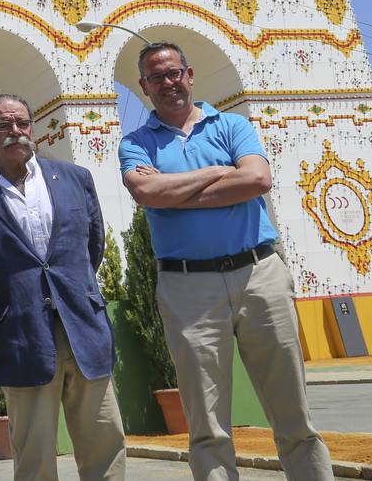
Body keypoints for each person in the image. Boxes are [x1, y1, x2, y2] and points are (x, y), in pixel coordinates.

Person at [120, 42, 332, 480]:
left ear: (190, 74)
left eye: (173, 72)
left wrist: (177, 192)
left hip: (259, 274)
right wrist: (220, 172)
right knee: (207, 424)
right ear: (143, 86)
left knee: (294, 415)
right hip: (187, 287)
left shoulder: (233, 124)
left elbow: (257, 179)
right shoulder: (135, 142)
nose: (167, 82)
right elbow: (146, 194)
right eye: (156, 76)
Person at [0, 94, 126, 481]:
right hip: (20, 339)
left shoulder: (75, 179)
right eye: (3, 125)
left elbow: (90, 249)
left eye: (22, 123)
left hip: (84, 331)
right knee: (34, 460)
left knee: (105, 449)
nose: (15, 132)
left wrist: (71, 292)